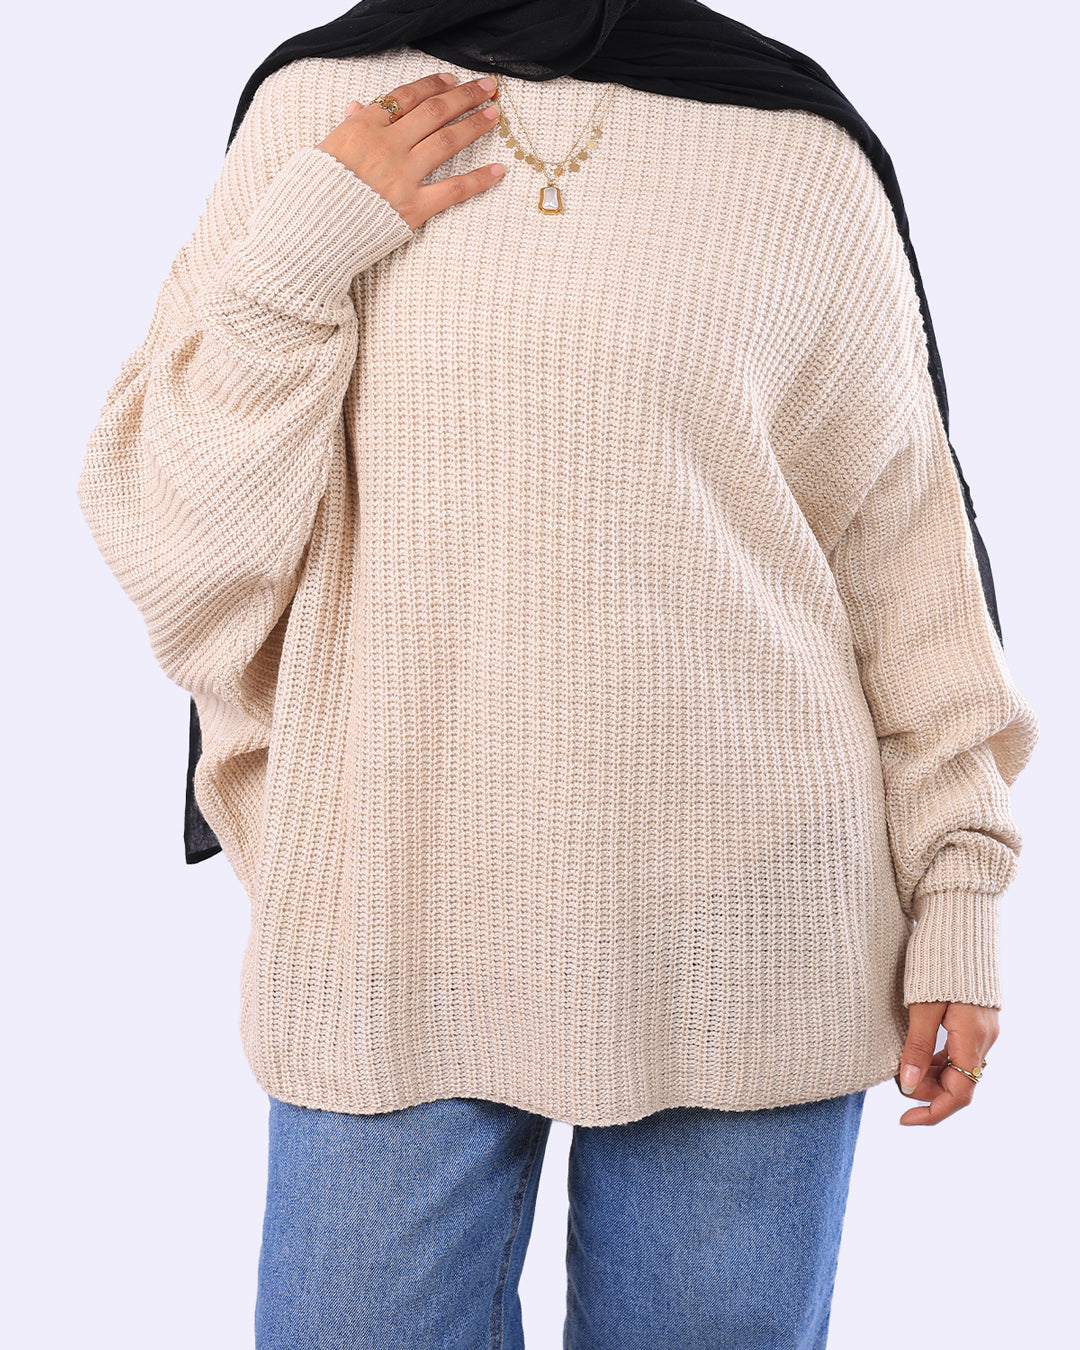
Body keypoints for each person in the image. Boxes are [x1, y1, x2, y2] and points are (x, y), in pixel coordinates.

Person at [76, 4, 1039, 1346]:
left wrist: (959, 894)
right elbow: (180, 549)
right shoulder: (317, 116)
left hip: (749, 927)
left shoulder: (797, 148)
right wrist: (298, 258)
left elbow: (908, 570)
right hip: (393, 907)